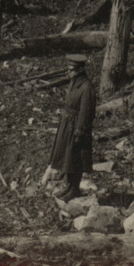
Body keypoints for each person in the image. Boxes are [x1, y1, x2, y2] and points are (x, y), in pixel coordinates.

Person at [48, 54, 96, 201]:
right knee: (67, 157)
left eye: (72, 70)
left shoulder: (86, 87)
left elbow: (86, 112)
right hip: (67, 124)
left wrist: (80, 131)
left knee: (76, 158)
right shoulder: (74, 82)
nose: (69, 73)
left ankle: (74, 188)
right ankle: (68, 186)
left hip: (77, 126)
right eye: (69, 70)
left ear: (80, 70)